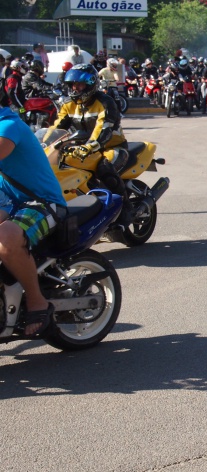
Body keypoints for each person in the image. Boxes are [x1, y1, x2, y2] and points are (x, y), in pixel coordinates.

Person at [0, 104, 67, 336]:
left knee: (6, 238)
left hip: (42, 203)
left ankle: (37, 301)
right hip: (9, 204)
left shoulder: (8, 126)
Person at [43, 64, 128, 197]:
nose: (75, 88)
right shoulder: (68, 105)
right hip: (81, 149)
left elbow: (103, 128)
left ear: (90, 84)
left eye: (79, 85)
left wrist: (90, 146)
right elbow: (57, 127)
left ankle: (125, 205)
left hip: (111, 147)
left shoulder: (105, 102)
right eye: (73, 85)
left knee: (105, 169)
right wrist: (43, 144)